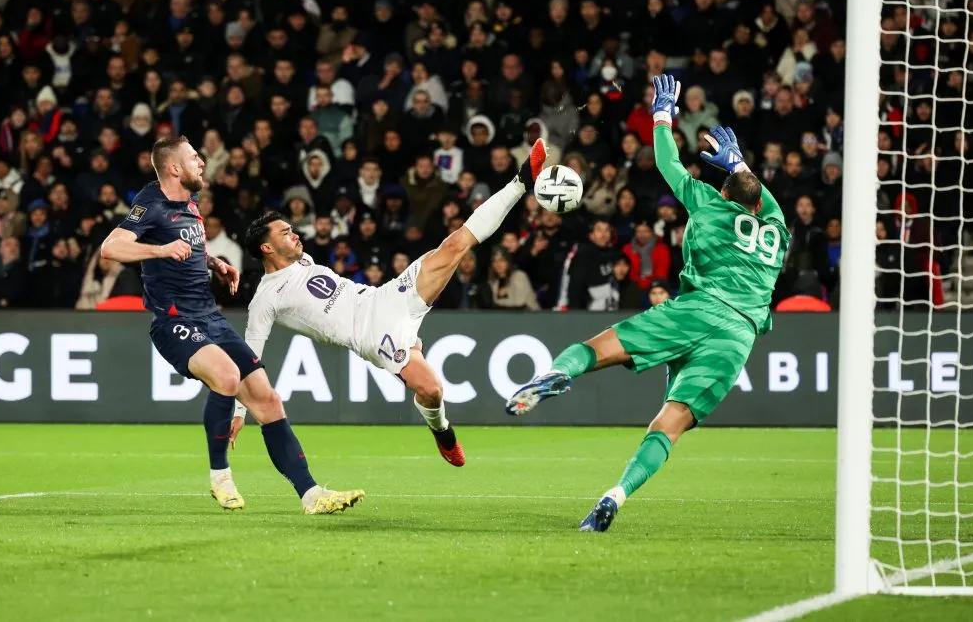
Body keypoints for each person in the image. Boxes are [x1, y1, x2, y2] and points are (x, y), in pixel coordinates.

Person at [506, 75, 791, 532]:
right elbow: (759, 197)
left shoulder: (709, 204)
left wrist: (662, 116)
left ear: (723, 193)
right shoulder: (778, 231)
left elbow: (667, 162)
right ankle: (614, 497)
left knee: (597, 349)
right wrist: (737, 164)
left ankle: (557, 373)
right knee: (668, 425)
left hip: (697, 309)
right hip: (738, 338)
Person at [232, 139, 549, 474]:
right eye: (285, 233)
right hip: (372, 334)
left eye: (292, 229)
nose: (295, 234)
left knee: (455, 245)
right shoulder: (266, 298)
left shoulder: (303, 260)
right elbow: (249, 357)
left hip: (385, 297)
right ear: (267, 247)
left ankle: (520, 181)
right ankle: (442, 430)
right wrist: (239, 412)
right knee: (431, 390)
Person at [99, 135, 363, 515]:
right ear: (174, 168)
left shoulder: (189, 202)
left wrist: (215, 263)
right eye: (193, 158)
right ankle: (220, 476)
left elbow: (189, 243)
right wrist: (159, 250)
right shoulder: (150, 204)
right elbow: (112, 246)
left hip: (210, 316)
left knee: (268, 400)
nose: (202, 162)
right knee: (225, 376)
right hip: (174, 321)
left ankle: (311, 495)